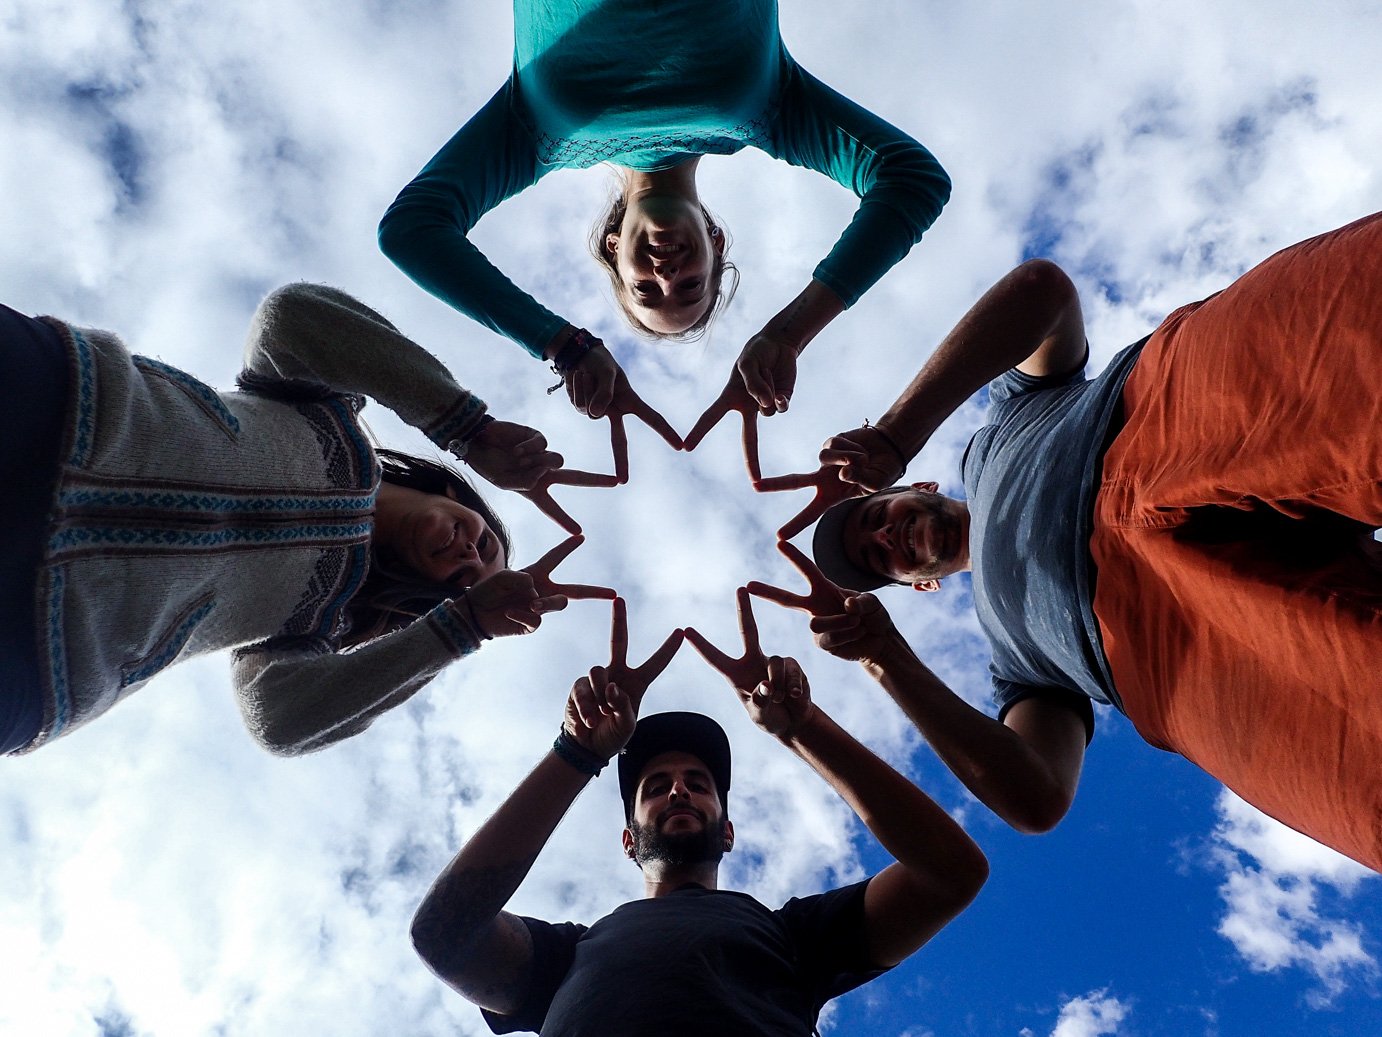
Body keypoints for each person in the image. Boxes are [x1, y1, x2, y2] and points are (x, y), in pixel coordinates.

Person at [757, 211, 1382, 872]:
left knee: (1355, 333)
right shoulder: (1014, 664)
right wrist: (885, 657)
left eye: (874, 516)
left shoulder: (1000, 424)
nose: (884, 535)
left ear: (917, 484)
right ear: (922, 584)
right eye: (876, 557)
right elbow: (1037, 796)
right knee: (1358, 757)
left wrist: (896, 430)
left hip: (1159, 420)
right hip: (1172, 646)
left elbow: (1042, 292)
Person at [2, 282, 616, 757]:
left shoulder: (321, 623)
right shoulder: (331, 413)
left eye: (463, 583)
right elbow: (289, 319)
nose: (468, 558)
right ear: (457, 494)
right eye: (484, 544)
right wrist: (466, 427)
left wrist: (466, 627)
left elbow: (277, 723)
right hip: (56, 399)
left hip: (41, 645)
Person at [378, 0, 950, 476]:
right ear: (716, 241)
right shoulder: (773, 112)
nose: (667, 274)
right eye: (692, 285)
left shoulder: (533, 136)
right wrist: (788, 334)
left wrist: (562, 345)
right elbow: (912, 180)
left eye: (645, 290)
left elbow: (413, 230)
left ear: (613, 249)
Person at [410, 594, 987, 1035]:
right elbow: (443, 935)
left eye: (698, 783)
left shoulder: (793, 936)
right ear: (629, 841)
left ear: (728, 832)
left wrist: (804, 729)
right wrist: (576, 752)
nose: (679, 791)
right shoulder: (567, 956)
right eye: (657, 786)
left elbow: (952, 873)